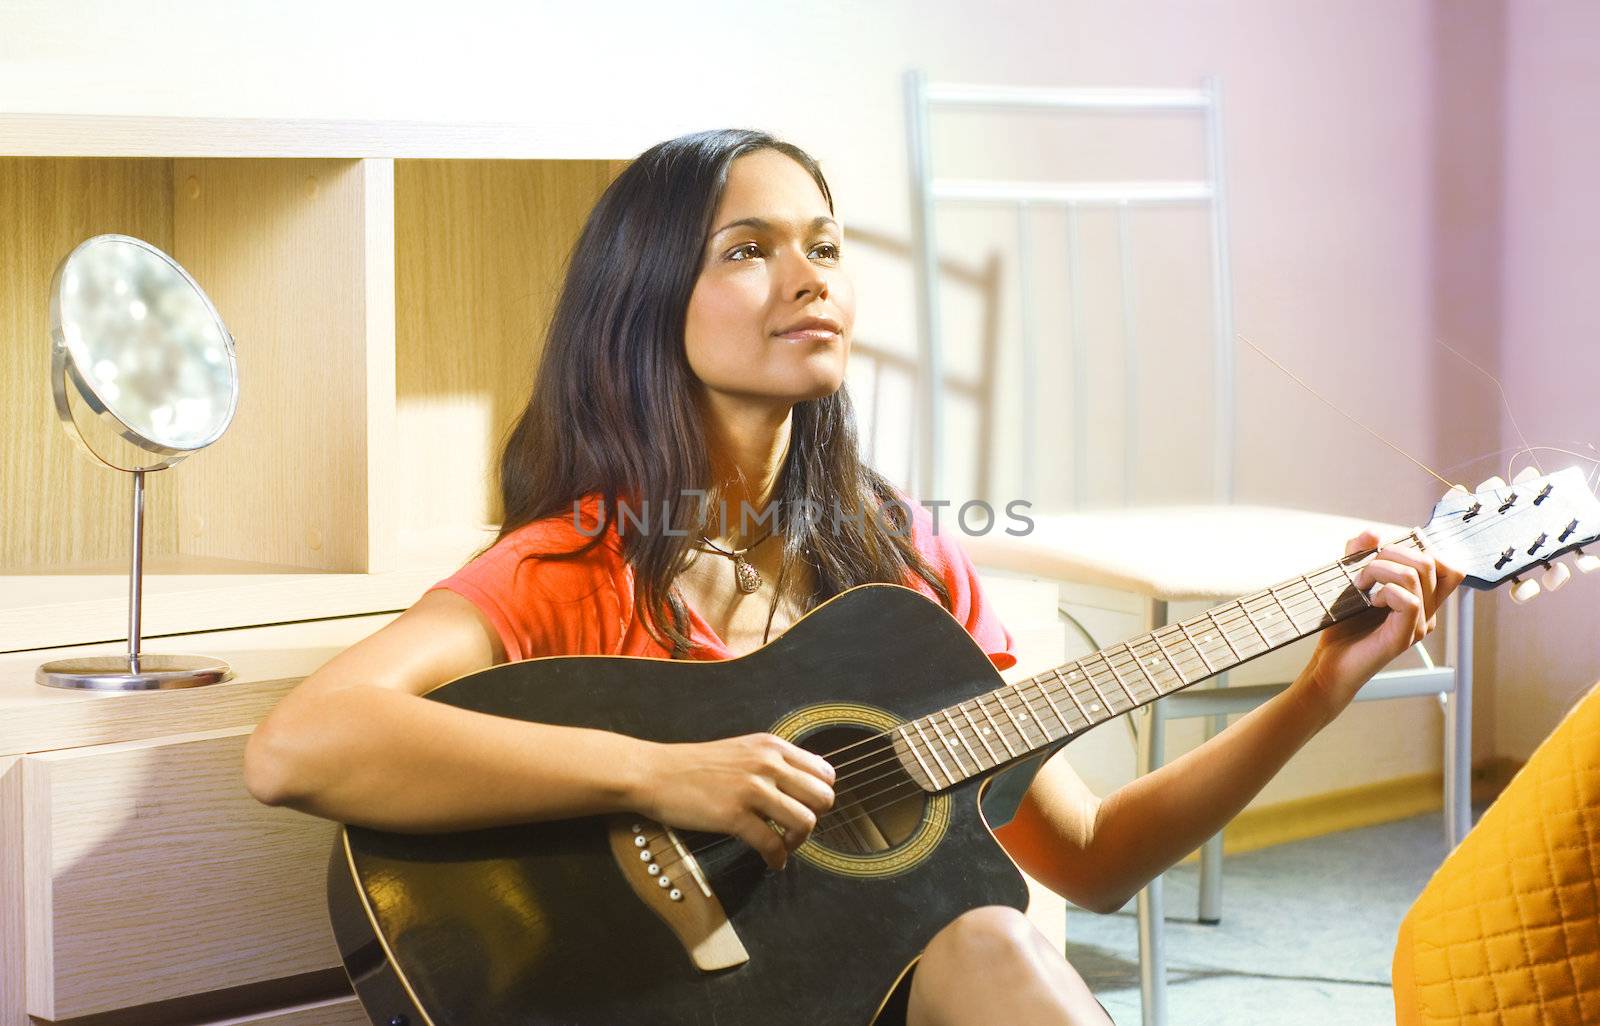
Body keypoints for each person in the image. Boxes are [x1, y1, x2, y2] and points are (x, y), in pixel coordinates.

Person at [243, 128, 1463, 1026]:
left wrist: (1316, 688)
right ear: (645, 301)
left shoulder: (902, 566)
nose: (810, 274)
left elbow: (1090, 856)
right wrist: (670, 774)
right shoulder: (574, 561)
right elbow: (298, 746)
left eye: (824, 246)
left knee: (994, 937)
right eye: (748, 249)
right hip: (658, 1002)